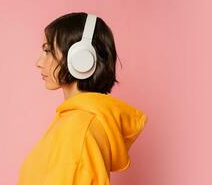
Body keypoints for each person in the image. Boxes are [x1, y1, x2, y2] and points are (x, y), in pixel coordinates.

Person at [18, 12, 148, 185]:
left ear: (81, 58)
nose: (39, 62)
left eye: (48, 51)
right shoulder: (75, 121)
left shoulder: (79, 127)